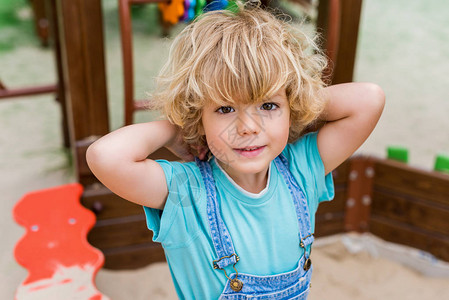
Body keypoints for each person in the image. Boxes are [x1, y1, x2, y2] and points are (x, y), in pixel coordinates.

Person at [86, 1, 385, 299]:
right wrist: (177, 130)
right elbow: (105, 156)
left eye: (268, 105)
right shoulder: (187, 192)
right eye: (225, 108)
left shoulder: (301, 170)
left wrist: (300, 101)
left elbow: (368, 100)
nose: (248, 127)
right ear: (198, 115)